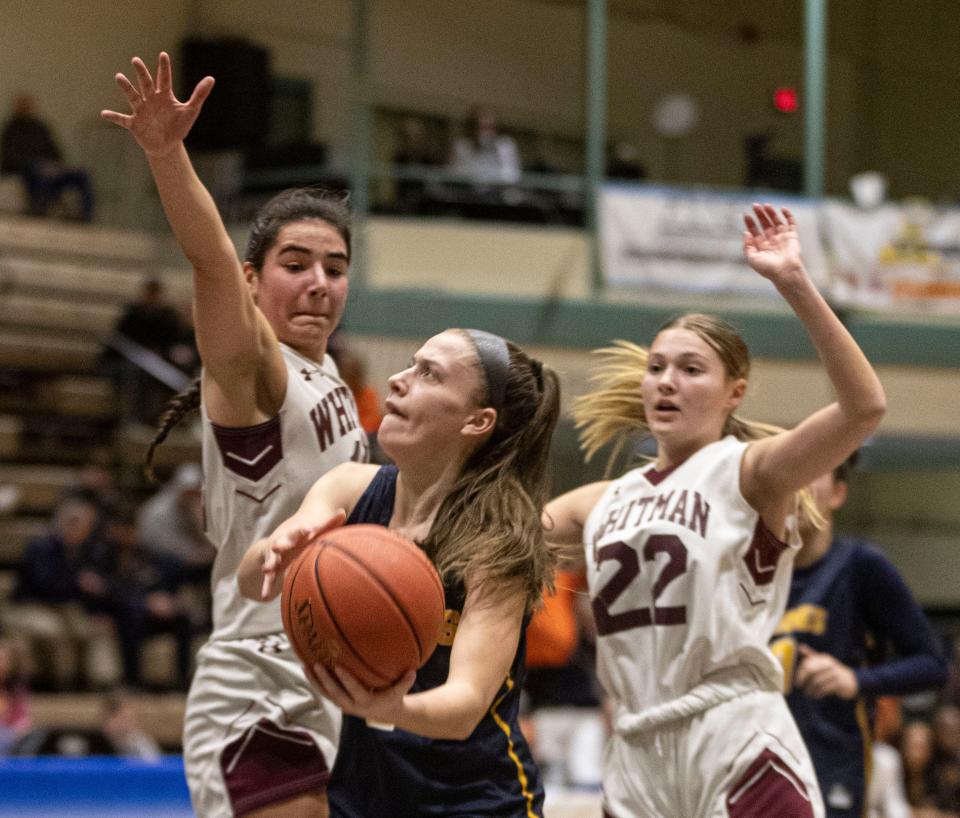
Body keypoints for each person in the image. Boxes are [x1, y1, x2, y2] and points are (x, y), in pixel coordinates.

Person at [543, 203, 887, 818]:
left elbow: (863, 407)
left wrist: (793, 282)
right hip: (637, 749)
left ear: (735, 392)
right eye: (655, 368)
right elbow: (500, 539)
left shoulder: (751, 470)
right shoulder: (605, 500)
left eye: (690, 369)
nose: (665, 382)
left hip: (732, 735)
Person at [102, 52, 369, 818]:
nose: (319, 281)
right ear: (255, 281)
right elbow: (210, 263)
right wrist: (166, 154)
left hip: (334, 675)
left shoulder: (337, 388)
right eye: (295, 264)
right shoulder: (256, 369)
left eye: (335, 266)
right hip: (260, 673)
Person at [237, 328, 560, 817]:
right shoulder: (350, 488)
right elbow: (249, 582)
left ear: (478, 421)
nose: (398, 379)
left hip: (477, 802)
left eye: (429, 373)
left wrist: (391, 709)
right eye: (412, 363)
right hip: (366, 795)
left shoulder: (498, 541)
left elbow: (466, 703)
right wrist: (275, 553)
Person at [771, 452, 948, 817]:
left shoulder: (860, 566)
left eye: (812, 472)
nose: (799, 485)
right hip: (761, 763)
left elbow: (933, 665)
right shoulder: (753, 572)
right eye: (792, 471)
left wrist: (854, 679)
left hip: (834, 763)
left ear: (838, 493)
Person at [0, 93, 94, 220]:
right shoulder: (11, 129)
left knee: (82, 174)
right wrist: (40, 165)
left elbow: (56, 152)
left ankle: (85, 214)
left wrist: (56, 165)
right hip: (27, 168)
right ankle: (39, 209)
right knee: (38, 172)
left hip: (50, 167)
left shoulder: (41, 128)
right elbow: (11, 157)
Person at [449, 105, 521, 186]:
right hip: (469, 191)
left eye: (491, 127)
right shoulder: (462, 146)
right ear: (473, 128)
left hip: (498, 191)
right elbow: (457, 174)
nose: (488, 132)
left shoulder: (505, 145)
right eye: (483, 127)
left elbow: (511, 176)